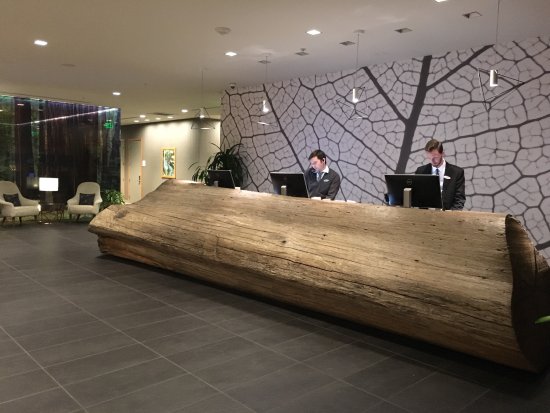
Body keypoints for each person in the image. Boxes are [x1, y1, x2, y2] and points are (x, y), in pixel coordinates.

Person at [415, 139, 465, 210]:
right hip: (425, 214)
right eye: (429, 157)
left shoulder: (456, 172)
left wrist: (450, 215)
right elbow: (417, 197)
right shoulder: (420, 171)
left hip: (448, 214)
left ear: (442, 154)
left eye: (435, 157)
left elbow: (459, 200)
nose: (432, 161)